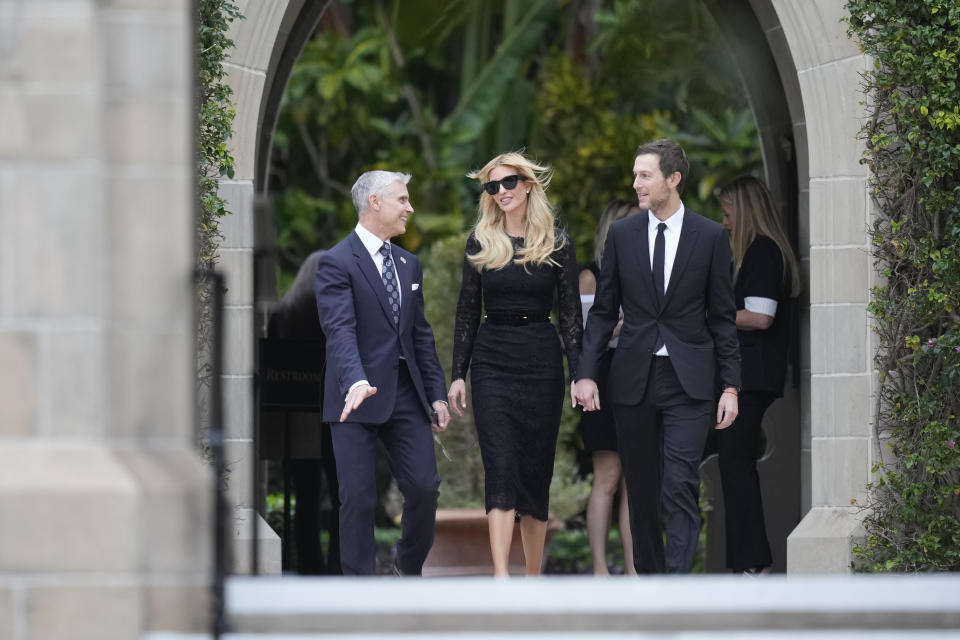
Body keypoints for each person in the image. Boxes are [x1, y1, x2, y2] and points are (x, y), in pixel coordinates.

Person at [572, 139, 741, 574]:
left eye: (644, 175)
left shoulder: (710, 236)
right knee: (642, 490)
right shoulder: (623, 236)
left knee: (680, 484)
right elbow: (604, 311)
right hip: (633, 378)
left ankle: (678, 586)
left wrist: (730, 385)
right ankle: (650, 584)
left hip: (690, 380)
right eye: (635, 175)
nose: (636, 184)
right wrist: (586, 373)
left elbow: (723, 319)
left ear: (673, 179)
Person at [448, 151, 582, 577]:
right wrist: (457, 374)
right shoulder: (481, 241)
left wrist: (579, 373)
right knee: (501, 465)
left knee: (535, 470)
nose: (501, 192)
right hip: (492, 362)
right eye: (492, 186)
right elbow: (467, 311)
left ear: (527, 185)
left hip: (541, 361)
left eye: (508, 183)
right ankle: (502, 578)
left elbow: (571, 316)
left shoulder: (557, 242)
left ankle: (532, 577)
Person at [314, 170, 450, 576]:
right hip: (353, 394)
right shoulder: (336, 262)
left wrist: (436, 394)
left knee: (425, 488)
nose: (410, 208)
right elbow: (340, 329)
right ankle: (360, 590)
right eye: (402, 200)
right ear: (375, 202)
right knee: (357, 497)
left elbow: (420, 336)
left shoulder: (410, 264)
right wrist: (356, 379)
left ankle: (406, 571)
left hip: (406, 393)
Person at [708, 176, 801, 575]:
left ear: (744, 212)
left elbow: (760, 316)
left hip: (751, 374)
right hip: (749, 374)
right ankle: (746, 562)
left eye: (728, 213)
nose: (725, 222)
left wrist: (709, 315)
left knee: (735, 464)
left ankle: (753, 563)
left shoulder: (763, 252)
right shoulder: (755, 253)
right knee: (734, 463)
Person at [267, 250, 342, 575]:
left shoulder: (283, 315)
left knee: (305, 496)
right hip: (336, 417)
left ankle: (308, 565)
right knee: (344, 496)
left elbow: (271, 367)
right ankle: (340, 566)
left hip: (295, 417)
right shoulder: (335, 318)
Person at [578, 199, 641, 576]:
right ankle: (600, 569)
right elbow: (586, 334)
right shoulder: (591, 276)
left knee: (635, 477)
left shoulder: (645, 271)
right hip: (600, 377)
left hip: (637, 375)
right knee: (608, 475)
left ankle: (634, 570)